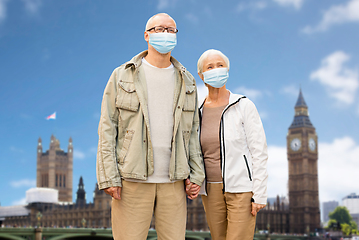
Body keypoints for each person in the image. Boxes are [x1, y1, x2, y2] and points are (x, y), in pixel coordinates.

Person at [96, 13, 205, 240]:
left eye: (170, 30)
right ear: (146, 35)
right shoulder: (121, 75)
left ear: (176, 36)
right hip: (132, 181)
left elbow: (193, 131)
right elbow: (108, 127)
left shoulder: (188, 80)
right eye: (159, 29)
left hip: (174, 182)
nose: (165, 34)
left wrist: (196, 173)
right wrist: (108, 177)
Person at [196, 49, 268, 240]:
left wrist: (259, 194)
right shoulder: (197, 111)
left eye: (220, 65)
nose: (216, 70)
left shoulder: (243, 105)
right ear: (201, 75)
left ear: (227, 69)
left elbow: (259, 151)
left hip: (241, 189)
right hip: (210, 190)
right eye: (210, 67)